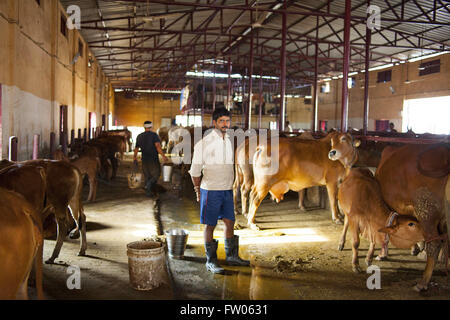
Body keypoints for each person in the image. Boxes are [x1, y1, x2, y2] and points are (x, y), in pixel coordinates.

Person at [189, 108, 250, 274]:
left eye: (227, 121)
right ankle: (211, 260)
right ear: (214, 123)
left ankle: (231, 256)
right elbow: (195, 171)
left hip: (227, 190)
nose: (225, 124)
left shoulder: (228, 140)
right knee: (210, 225)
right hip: (211, 190)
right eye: (221, 121)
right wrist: (197, 190)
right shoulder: (204, 144)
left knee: (229, 222)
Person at [133, 121, 168, 198]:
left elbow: (136, 148)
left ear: (144, 127)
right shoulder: (154, 135)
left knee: (147, 176)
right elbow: (158, 146)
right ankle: (147, 186)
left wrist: (134, 157)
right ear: (151, 127)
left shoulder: (139, 136)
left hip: (144, 159)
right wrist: (163, 156)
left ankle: (148, 193)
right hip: (153, 159)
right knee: (156, 174)